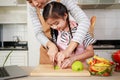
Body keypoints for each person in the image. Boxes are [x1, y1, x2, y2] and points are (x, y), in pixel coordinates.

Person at [43, 2, 96, 68]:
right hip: (63, 69)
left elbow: (91, 52)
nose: (54, 27)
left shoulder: (80, 30)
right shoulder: (56, 32)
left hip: (81, 69)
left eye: (56, 23)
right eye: (51, 25)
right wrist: (56, 56)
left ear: (65, 16)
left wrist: (73, 59)